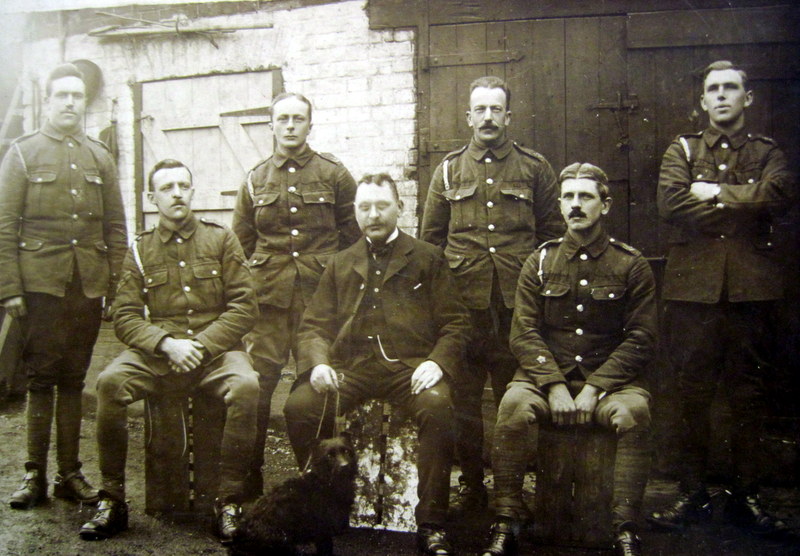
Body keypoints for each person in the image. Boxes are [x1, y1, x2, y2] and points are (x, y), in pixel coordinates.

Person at [284, 174, 471, 556]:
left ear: (399, 208)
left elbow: (457, 323)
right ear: (354, 213)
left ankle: (432, 523)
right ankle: (324, 512)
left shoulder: (427, 257)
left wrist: (437, 362)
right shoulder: (340, 263)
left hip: (409, 368)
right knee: (299, 407)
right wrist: (318, 364)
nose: (373, 215)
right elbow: (314, 326)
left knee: (438, 408)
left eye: (382, 205)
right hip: (351, 369)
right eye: (364, 207)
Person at [648, 60, 797, 537]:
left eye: (731, 88)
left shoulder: (767, 150)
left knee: (749, 396)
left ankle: (746, 495)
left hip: (752, 292)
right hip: (694, 293)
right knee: (692, 393)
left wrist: (713, 192)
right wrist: (742, 206)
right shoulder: (683, 149)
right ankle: (691, 494)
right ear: (703, 101)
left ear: (747, 98)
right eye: (713, 89)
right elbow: (671, 203)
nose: (722, 96)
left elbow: (779, 195)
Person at [79, 159, 260, 545]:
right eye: (167, 188)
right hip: (159, 352)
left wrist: (201, 344)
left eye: (183, 186)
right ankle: (112, 500)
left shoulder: (221, 238)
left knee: (246, 386)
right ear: (151, 198)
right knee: (109, 384)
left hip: (216, 352)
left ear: (193, 193)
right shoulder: (141, 249)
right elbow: (124, 315)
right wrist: (165, 344)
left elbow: (245, 306)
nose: (176, 193)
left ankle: (228, 502)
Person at [481, 163, 657, 556]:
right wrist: (554, 385)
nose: (576, 206)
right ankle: (506, 519)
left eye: (586, 197)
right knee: (511, 406)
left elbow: (643, 337)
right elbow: (522, 332)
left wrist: (596, 387)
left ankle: (624, 526)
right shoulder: (539, 261)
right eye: (569, 197)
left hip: (610, 381)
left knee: (634, 414)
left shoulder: (631, 264)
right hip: (546, 378)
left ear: (605, 205)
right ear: (559, 205)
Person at [420, 75, 563, 510]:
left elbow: (554, 239)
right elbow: (430, 243)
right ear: (468, 116)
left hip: (517, 308)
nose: (487, 117)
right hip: (465, 309)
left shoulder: (534, 168)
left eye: (495, 109)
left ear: (508, 116)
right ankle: (473, 486)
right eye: (479, 109)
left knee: (512, 399)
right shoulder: (447, 170)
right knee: (464, 401)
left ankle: (511, 490)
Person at [0, 63, 128, 510]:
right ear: (49, 100)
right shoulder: (21, 153)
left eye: (77, 96)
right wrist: (10, 288)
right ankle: (33, 474)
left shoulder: (99, 157)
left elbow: (116, 228)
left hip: (86, 287)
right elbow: (4, 226)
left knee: (74, 379)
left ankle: (69, 475)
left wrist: (116, 286)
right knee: (40, 379)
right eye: (62, 95)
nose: (70, 102)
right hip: (38, 286)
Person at [232, 92, 360, 497]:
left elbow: (353, 240)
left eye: (298, 119)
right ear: (271, 125)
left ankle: (316, 486)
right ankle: (247, 484)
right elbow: (240, 244)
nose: (290, 125)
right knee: (256, 389)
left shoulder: (334, 174)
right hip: (268, 302)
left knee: (313, 394)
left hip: (319, 303)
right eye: (282, 119)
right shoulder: (254, 179)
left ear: (310, 124)